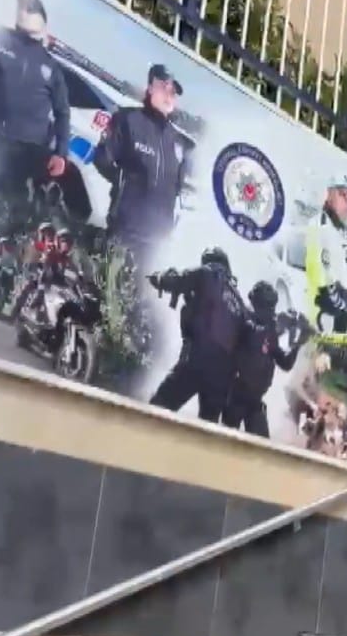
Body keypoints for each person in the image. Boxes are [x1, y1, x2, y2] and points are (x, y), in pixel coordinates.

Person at [0, 0, 69, 236]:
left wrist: (61, 153)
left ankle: (9, 243)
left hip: (28, 150)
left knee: (16, 205)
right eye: (23, 7)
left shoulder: (51, 67)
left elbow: (62, 112)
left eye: (30, 9)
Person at [93, 64, 188, 266]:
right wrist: (124, 185)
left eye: (173, 92)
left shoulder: (177, 141)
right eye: (163, 87)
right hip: (125, 234)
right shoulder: (127, 120)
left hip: (157, 246)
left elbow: (178, 189)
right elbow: (102, 158)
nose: (169, 95)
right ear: (150, 88)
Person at [147, 247, 246, 422]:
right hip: (222, 375)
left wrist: (159, 278)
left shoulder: (206, 273)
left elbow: (177, 280)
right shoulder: (239, 301)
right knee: (206, 429)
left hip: (197, 359)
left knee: (157, 410)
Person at [222, 281, 309, 437]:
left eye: (272, 307)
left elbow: (285, 363)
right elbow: (254, 331)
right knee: (225, 439)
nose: (271, 311)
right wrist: (281, 324)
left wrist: (299, 342)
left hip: (255, 401)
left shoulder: (270, 330)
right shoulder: (245, 322)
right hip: (236, 396)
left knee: (261, 444)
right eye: (268, 307)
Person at [307, 176, 347, 334]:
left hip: (336, 318)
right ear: (328, 194)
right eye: (343, 195)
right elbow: (321, 277)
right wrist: (338, 297)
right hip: (321, 317)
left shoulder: (337, 231)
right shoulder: (320, 226)